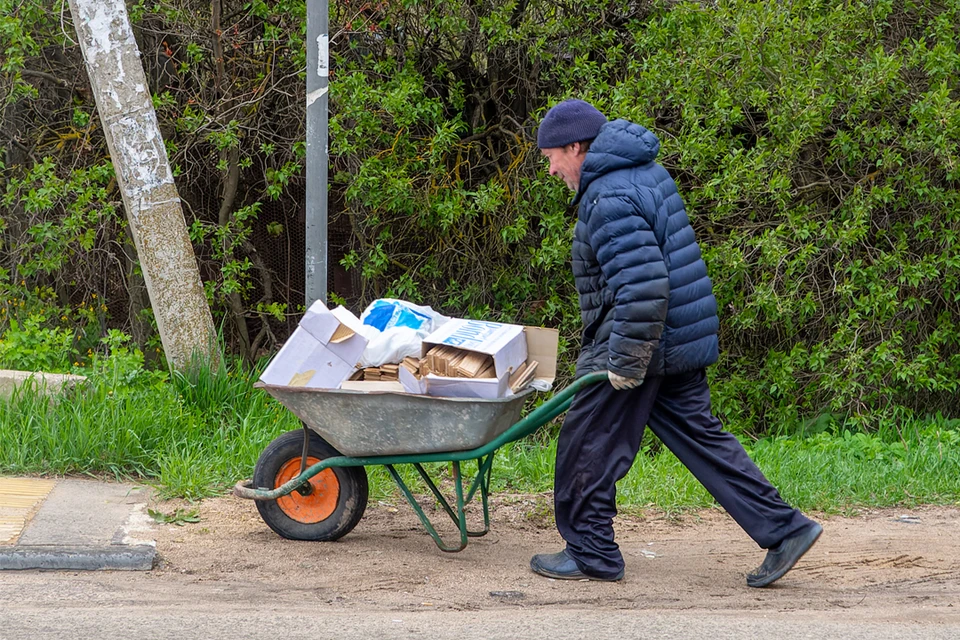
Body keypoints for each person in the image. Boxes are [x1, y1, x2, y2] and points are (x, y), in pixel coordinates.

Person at [531, 99, 822, 587]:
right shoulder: (641, 170)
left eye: (552, 157)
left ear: (576, 147)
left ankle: (591, 553)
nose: (552, 168)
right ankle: (785, 529)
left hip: (641, 341)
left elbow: (643, 287)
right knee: (702, 440)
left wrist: (625, 360)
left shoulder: (609, 197)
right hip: (674, 337)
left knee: (587, 442)